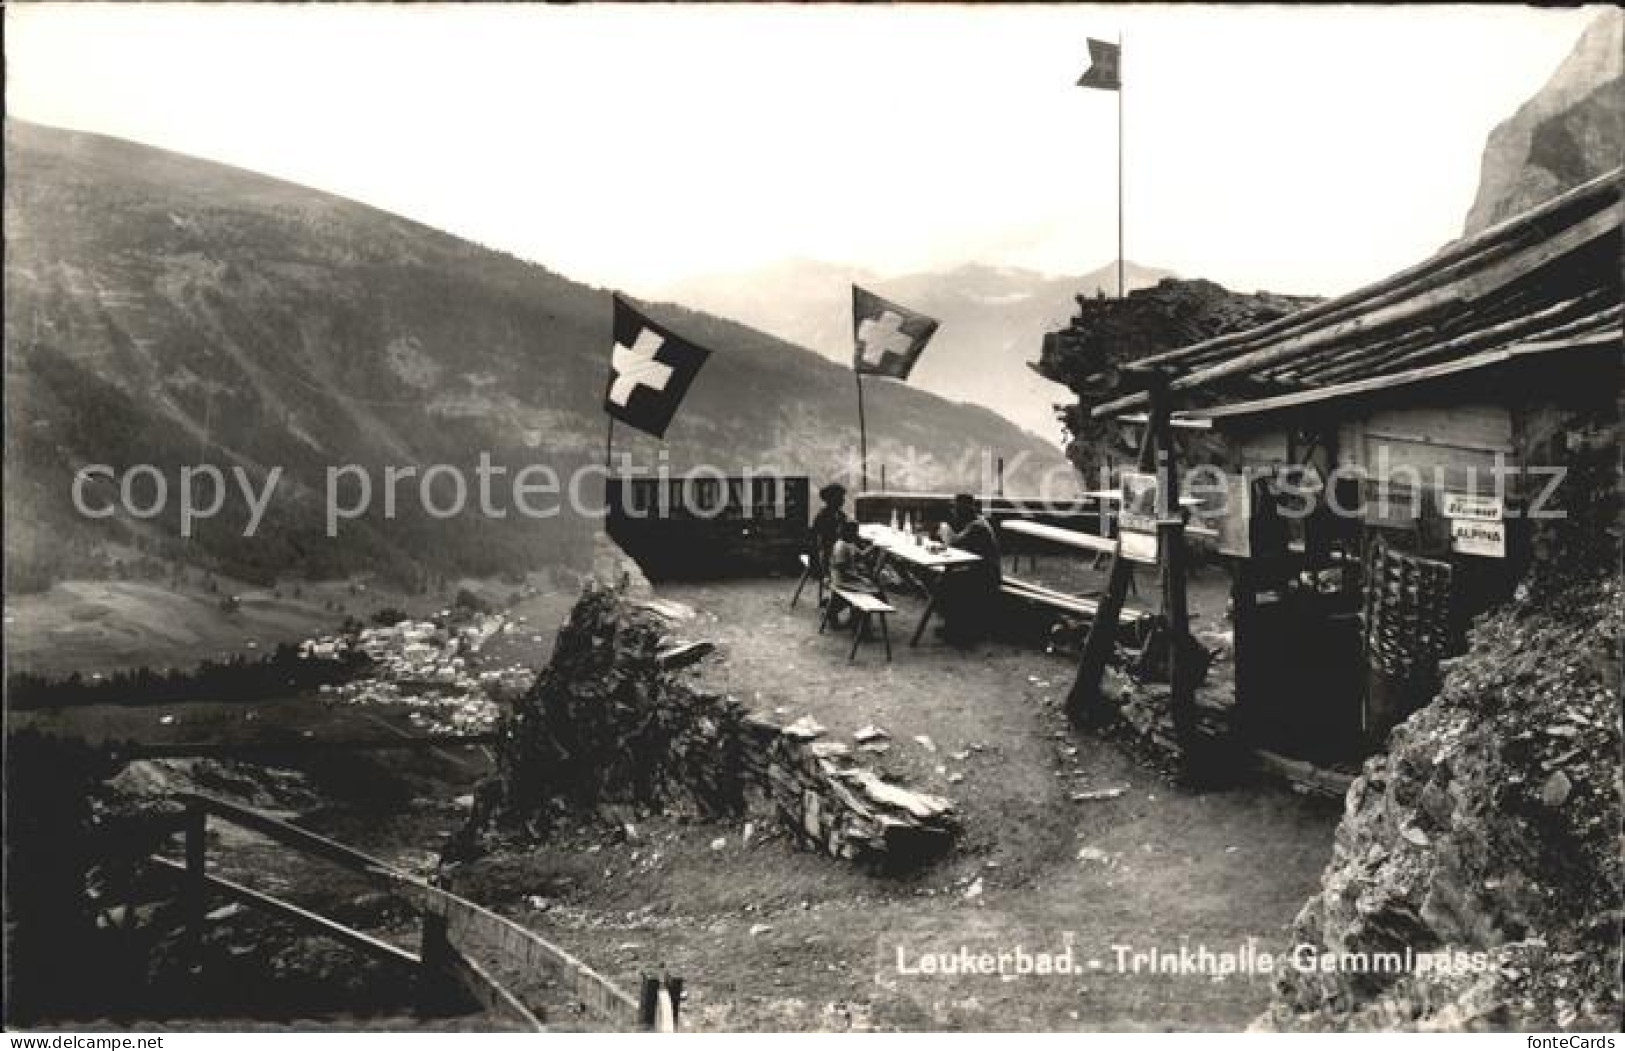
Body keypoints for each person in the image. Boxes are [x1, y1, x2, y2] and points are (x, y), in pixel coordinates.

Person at [936, 493, 1001, 644]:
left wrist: (944, 528)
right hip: (979, 571)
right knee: (947, 579)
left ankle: (957, 629)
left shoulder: (977, 525)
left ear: (966, 509)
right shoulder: (973, 523)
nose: (954, 512)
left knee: (947, 582)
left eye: (956, 508)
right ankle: (954, 626)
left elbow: (954, 542)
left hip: (987, 576)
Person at [827, 520, 882, 628]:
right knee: (873, 590)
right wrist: (861, 578)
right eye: (854, 532)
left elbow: (862, 555)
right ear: (846, 532)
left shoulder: (849, 543)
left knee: (873, 586)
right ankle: (861, 626)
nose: (856, 534)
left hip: (848, 577)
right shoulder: (841, 546)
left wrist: (874, 546)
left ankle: (854, 619)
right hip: (841, 579)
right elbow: (842, 569)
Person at [808, 482, 848, 581]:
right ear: (831, 499)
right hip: (827, 556)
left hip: (835, 553)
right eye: (840, 497)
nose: (843, 500)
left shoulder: (841, 515)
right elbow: (818, 544)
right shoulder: (822, 517)